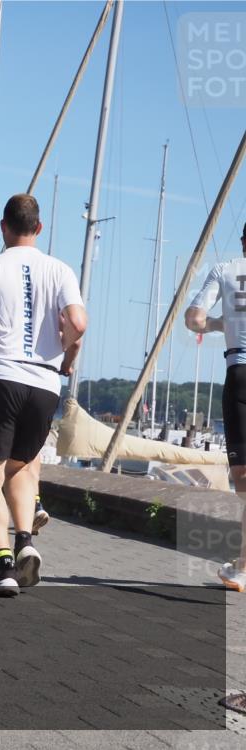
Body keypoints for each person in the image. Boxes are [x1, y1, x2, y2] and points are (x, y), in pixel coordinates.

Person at [0, 194, 87, 597]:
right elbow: (78, 321)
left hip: (0, 379)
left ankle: (4, 565)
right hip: (44, 383)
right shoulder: (60, 270)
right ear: (38, 228)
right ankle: (27, 539)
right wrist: (67, 350)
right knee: (24, 469)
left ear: (3, 227)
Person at [184, 222, 246, 593]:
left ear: (243, 241)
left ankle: (242, 566)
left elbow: (193, 319)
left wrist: (223, 323)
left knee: (243, 479)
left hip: (239, 371)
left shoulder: (226, 270)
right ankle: (241, 565)